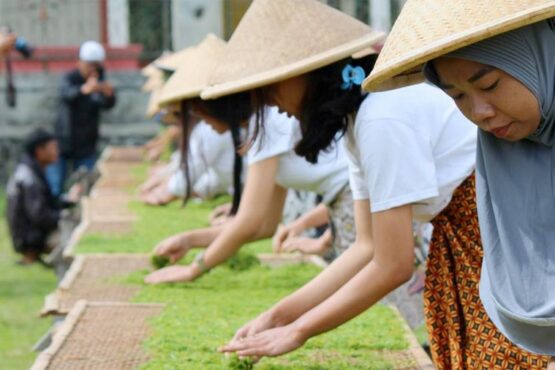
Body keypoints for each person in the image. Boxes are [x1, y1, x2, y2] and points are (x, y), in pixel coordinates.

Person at [199, 0, 550, 367]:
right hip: (463, 241)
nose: (272, 103)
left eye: (272, 86)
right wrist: (280, 316)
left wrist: (300, 331)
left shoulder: (382, 117)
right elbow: (365, 246)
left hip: (492, 239)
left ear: (309, 75)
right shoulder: (361, 120)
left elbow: (393, 264)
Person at [363, 1, 555, 366]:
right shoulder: (503, 144)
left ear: (538, 58)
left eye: (490, 84)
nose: (479, 112)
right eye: (458, 96)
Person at [47, 40, 116, 197]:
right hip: (64, 142)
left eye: (95, 65)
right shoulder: (70, 78)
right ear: (79, 62)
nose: (92, 69)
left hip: (86, 144)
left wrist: (108, 93)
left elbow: (107, 104)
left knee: (84, 187)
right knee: (55, 187)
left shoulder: (100, 79)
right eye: (89, 64)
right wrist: (85, 90)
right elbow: (67, 94)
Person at [6, 129, 68, 265]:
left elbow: (47, 203)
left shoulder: (32, 170)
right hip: (30, 238)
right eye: (53, 147)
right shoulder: (28, 177)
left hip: (31, 235)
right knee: (74, 232)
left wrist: (67, 201)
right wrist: (64, 215)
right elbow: (40, 216)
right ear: (39, 151)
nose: (57, 151)